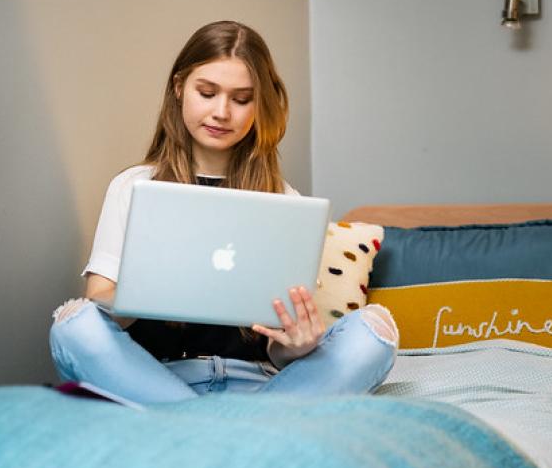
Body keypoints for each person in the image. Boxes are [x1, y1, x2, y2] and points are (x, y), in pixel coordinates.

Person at [49, 21, 398, 405]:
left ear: (259, 104)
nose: (221, 112)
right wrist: (150, 289)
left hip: (259, 385)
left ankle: (194, 426)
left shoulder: (283, 199)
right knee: (74, 324)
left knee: (375, 332)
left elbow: (275, 350)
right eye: (207, 93)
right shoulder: (134, 186)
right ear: (180, 87)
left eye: (241, 98)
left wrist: (297, 345)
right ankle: (223, 423)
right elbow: (100, 302)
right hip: (157, 379)